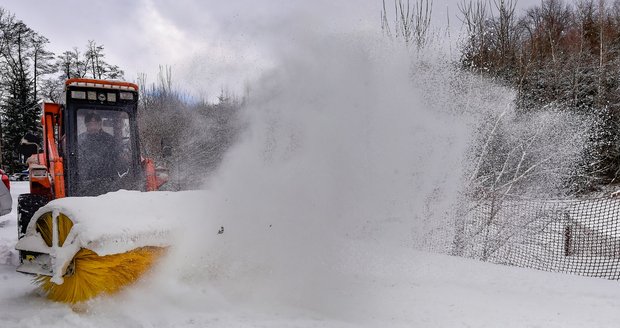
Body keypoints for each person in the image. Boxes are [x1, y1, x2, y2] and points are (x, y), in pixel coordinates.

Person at [77, 112, 123, 194]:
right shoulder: (79, 140)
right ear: (86, 125)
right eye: (90, 123)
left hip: (108, 181)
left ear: (100, 124)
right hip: (85, 182)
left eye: (96, 123)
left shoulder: (109, 139)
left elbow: (116, 158)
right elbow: (78, 160)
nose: (93, 126)